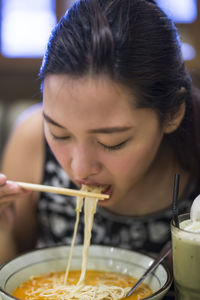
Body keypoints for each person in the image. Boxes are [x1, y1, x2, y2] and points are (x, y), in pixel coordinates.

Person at [0, 0, 200, 264]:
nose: (80, 169)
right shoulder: (31, 139)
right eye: (60, 134)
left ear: (172, 113)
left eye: (112, 142)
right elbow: (13, 274)